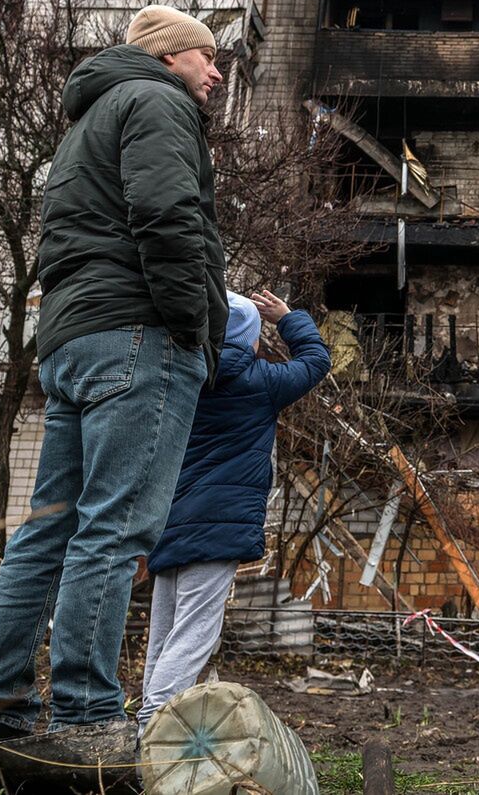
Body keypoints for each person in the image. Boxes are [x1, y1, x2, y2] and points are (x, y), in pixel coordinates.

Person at [0, 5, 229, 750]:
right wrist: (193, 328)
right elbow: (166, 214)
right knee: (112, 529)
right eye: (205, 57)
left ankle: (0, 701)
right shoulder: (157, 101)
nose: (213, 73)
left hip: (75, 340)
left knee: (49, 527)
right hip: (140, 337)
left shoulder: (86, 121)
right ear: (170, 56)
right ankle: (86, 711)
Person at [137, 289, 332, 735]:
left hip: (169, 523)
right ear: (250, 341)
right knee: (194, 634)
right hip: (218, 527)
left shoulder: (180, 377)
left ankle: (150, 719)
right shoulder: (260, 381)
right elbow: (317, 361)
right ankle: (152, 726)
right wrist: (286, 317)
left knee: (164, 633)